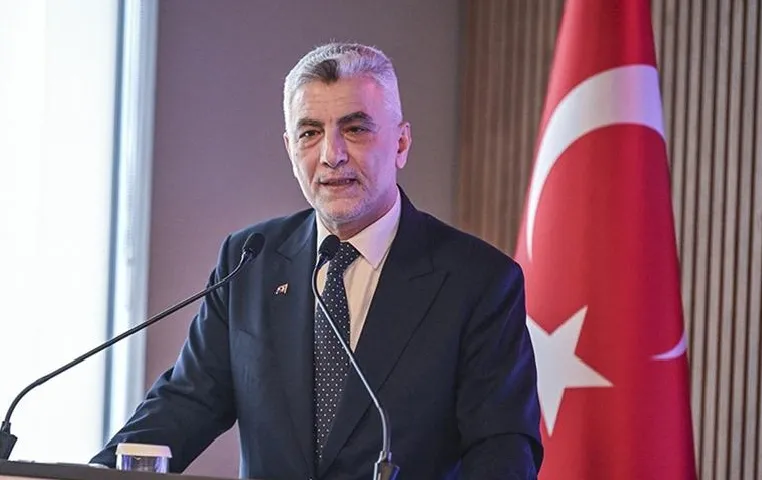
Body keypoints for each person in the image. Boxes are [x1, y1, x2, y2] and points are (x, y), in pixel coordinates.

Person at [91, 42, 543, 479]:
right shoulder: (250, 260)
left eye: (355, 129)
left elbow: (501, 450)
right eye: (310, 133)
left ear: (401, 143)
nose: (332, 155)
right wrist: (90, 476)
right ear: (290, 148)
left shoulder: (477, 280)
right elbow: (186, 402)